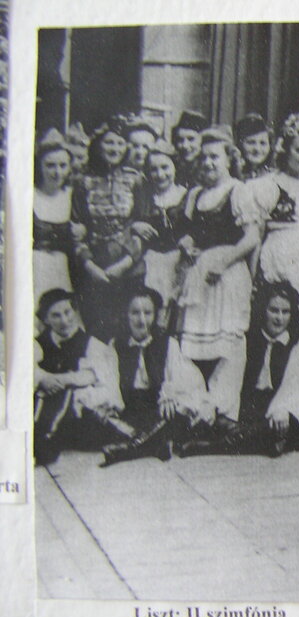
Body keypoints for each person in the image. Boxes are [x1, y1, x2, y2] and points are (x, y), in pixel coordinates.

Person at [174, 126, 260, 424]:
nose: (208, 162)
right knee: (196, 343)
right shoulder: (195, 195)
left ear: (228, 159)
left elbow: (251, 238)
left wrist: (223, 263)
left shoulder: (238, 190)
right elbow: (188, 232)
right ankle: (198, 409)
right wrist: (186, 244)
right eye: (204, 157)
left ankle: (225, 411)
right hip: (200, 276)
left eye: (215, 157)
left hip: (228, 274)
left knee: (229, 343)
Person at [179, 282, 299, 458]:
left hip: (277, 412)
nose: (279, 318)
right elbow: (228, 380)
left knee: (274, 428)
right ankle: (252, 438)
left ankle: (210, 446)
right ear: (263, 310)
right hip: (248, 408)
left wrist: (283, 410)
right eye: (273, 310)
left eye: (285, 312)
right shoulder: (245, 341)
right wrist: (213, 406)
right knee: (220, 420)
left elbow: (297, 390)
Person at [71, 115, 146, 339]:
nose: (115, 148)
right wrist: (90, 266)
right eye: (109, 142)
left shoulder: (135, 180)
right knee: (97, 330)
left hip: (129, 266)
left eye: (120, 143)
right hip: (94, 267)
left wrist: (125, 263)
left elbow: (143, 226)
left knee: (127, 330)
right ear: (98, 145)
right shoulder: (82, 182)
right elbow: (76, 228)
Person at [33, 289, 124, 465]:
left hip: (79, 407)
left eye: (67, 312)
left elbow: (93, 376)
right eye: (56, 315)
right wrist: (43, 379)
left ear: (75, 311)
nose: (64, 320)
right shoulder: (38, 343)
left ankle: (47, 441)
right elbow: (27, 369)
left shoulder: (91, 344)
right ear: (46, 319)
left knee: (70, 397)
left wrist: (59, 380)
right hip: (44, 398)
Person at [253, 115, 299, 327]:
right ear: (285, 150)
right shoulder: (269, 183)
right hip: (276, 251)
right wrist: (252, 274)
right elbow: (258, 232)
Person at [100, 287, 178, 465]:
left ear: (155, 315)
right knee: (101, 420)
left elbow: (177, 376)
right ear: (125, 315)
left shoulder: (168, 343)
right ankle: (152, 444)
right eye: (135, 313)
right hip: (130, 407)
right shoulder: (116, 345)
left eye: (148, 313)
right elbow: (110, 381)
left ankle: (130, 449)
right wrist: (113, 406)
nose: (142, 320)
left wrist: (169, 395)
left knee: (172, 416)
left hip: (156, 405)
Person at [140, 139, 188, 330]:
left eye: (165, 167)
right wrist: (136, 225)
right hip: (151, 262)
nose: (160, 174)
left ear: (175, 166)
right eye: (154, 169)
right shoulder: (145, 197)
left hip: (178, 263)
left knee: (175, 315)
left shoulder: (186, 196)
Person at [33, 129, 78, 311]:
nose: (57, 172)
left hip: (62, 268)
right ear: (39, 166)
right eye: (50, 165)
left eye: (62, 165)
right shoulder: (30, 196)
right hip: (36, 266)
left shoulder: (72, 196)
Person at [172, 110, 209, 188]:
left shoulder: (209, 169)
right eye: (180, 140)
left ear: (203, 140)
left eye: (191, 139)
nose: (185, 145)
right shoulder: (173, 166)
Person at [234, 113, 274, 181]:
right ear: (240, 144)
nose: (257, 149)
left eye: (263, 143)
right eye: (251, 143)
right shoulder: (230, 175)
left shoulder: (274, 176)